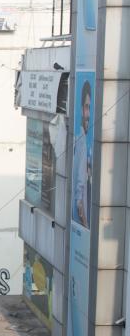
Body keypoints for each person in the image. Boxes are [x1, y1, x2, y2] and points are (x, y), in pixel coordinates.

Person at [72, 80, 92, 228]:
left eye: (90, 108)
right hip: (80, 218)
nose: (89, 114)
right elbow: (79, 181)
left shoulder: (82, 137)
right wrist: (84, 221)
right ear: (81, 109)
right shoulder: (81, 139)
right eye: (86, 107)